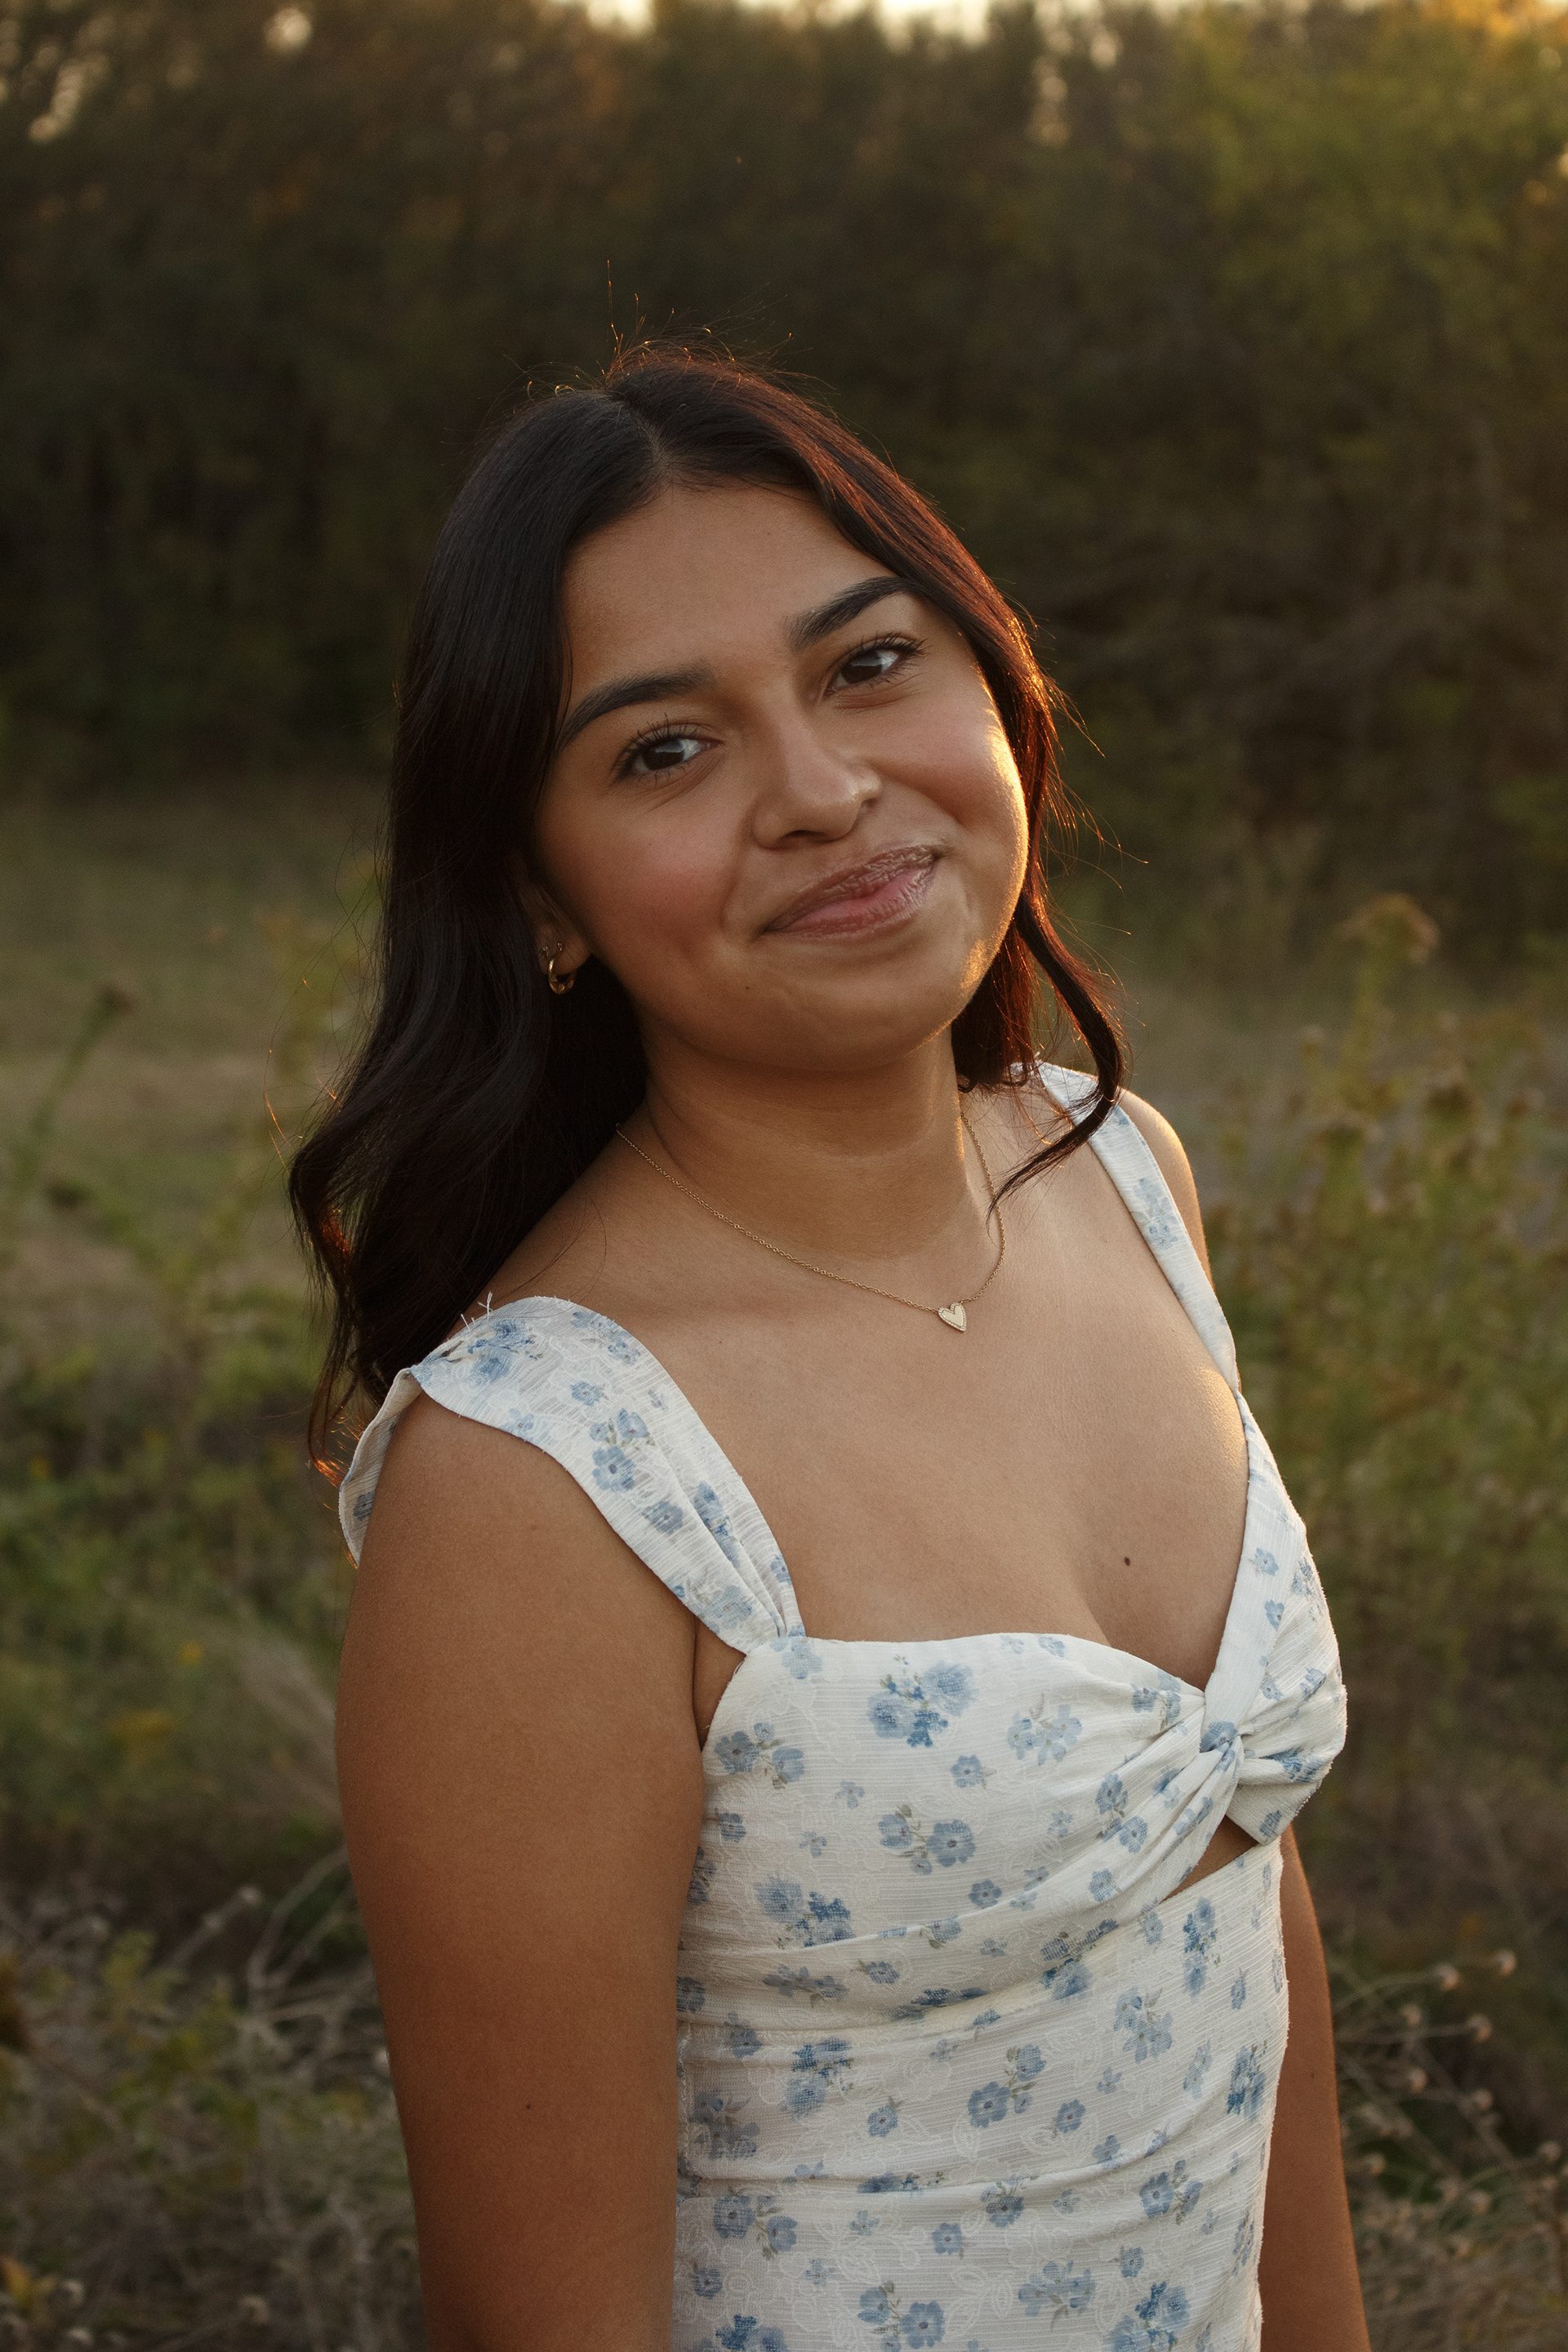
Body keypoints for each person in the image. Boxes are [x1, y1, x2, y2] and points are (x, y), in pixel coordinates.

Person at [291, 347, 1369, 2352]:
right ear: (545, 894)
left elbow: (1244, 1901)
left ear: (992, 685)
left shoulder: (1123, 1180)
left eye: (867, 666)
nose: (818, 791)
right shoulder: (550, 1480)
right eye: (665, 753)